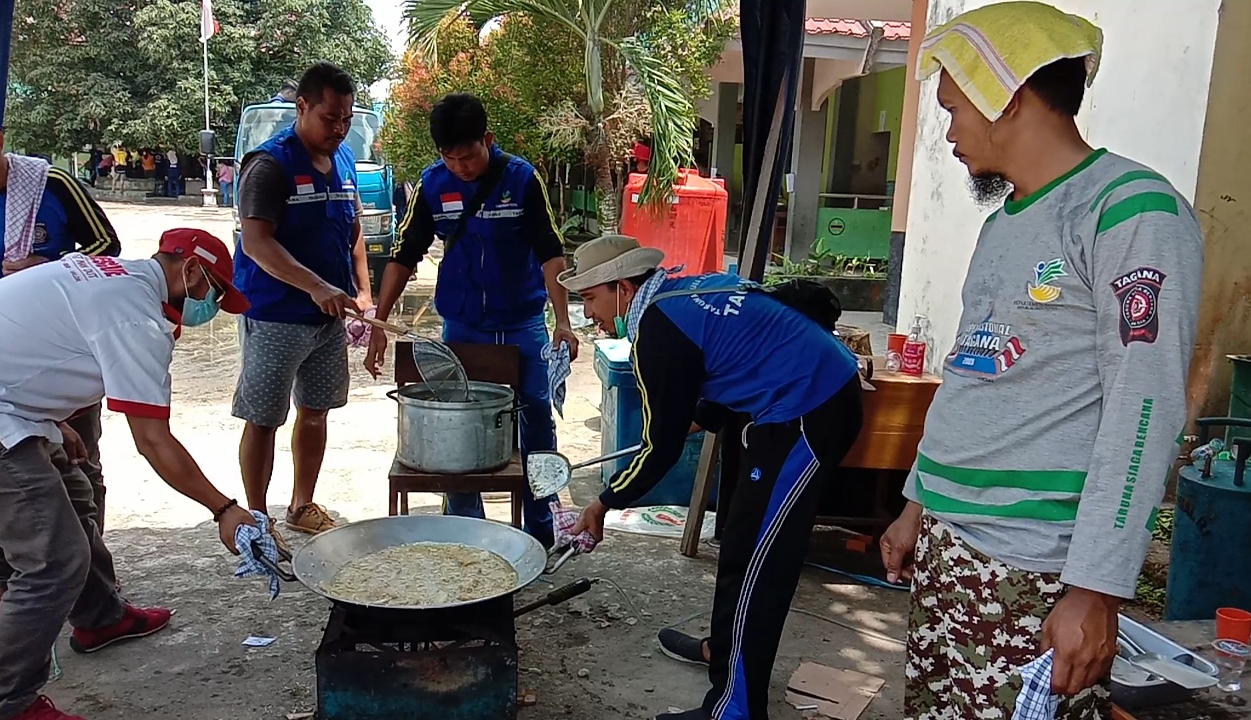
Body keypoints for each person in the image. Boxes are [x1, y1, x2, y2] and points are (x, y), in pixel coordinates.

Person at [876, 4, 1204, 719]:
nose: (951, 132)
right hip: (950, 546)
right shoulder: (1005, 223)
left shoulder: (1130, 211)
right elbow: (974, 374)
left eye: (956, 109)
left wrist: (1095, 586)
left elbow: (1144, 405)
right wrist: (915, 506)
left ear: (1009, 96)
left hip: (1032, 567)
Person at [563, 235, 864, 720]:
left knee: (757, 566)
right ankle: (722, 653)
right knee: (741, 540)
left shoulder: (656, 329)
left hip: (809, 406)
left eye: (591, 299)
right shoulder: (678, 296)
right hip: (790, 399)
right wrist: (678, 422)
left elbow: (661, 449)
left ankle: (735, 710)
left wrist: (604, 502)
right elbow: (731, 365)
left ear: (621, 287)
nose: (590, 314)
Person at [0, 226, 258, 720]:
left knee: (75, 488)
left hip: (2, 398)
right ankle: (1, 703)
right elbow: (153, 441)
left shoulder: (112, 274)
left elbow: (36, 343)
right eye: (212, 290)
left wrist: (55, 420)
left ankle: (100, 618)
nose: (209, 305)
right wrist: (225, 509)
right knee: (52, 561)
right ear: (190, 269)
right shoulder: (136, 319)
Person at [366, 92, 580, 548]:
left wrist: (562, 320)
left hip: (522, 324)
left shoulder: (521, 179)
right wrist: (378, 325)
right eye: (451, 158)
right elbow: (404, 256)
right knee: (457, 427)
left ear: (489, 139)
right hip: (463, 327)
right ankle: (467, 532)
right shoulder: (432, 185)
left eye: (469, 155)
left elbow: (550, 252)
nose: (461, 166)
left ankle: (541, 530)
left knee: (536, 420)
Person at [0, 90, 124, 623]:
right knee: (2, 478)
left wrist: (47, 264)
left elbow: (107, 250)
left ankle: (93, 590)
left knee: (81, 466)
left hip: (57, 355)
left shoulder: (49, 185)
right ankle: (4, 578)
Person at [233, 61, 372, 537]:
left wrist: (362, 291)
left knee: (316, 412)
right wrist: (315, 286)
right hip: (276, 315)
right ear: (303, 106)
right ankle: (256, 515)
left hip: (327, 318)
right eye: (329, 118)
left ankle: (301, 504)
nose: (338, 128)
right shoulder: (269, 165)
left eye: (346, 120)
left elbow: (352, 229)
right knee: (264, 417)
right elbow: (256, 243)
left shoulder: (346, 160)